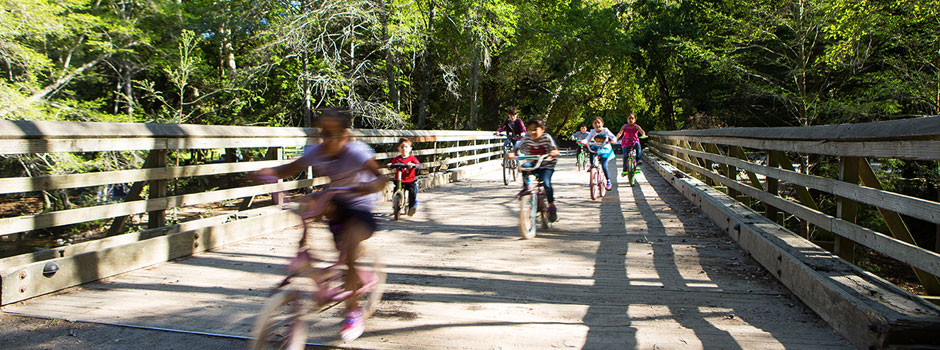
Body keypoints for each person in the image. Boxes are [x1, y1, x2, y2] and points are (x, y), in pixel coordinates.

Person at [253, 108, 386, 342]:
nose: (328, 139)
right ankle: (307, 254)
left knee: (351, 244)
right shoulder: (318, 151)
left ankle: (352, 311)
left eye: (334, 134)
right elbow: (290, 168)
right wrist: (267, 172)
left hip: (361, 207)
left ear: (346, 136)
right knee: (309, 205)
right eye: (324, 133)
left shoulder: (356, 153)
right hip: (337, 203)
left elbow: (381, 177)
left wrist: (369, 186)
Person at [511, 118, 561, 222]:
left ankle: (551, 206)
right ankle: (527, 187)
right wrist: (512, 153)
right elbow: (517, 148)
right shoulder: (527, 138)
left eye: (535, 129)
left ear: (542, 129)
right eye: (529, 129)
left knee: (546, 183)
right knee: (524, 166)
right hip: (534, 163)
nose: (532, 132)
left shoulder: (547, 138)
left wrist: (553, 153)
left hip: (547, 165)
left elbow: (556, 151)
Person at [388, 137, 420, 216]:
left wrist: (414, 165)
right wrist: (390, 165)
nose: (404, 149)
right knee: (395, 190)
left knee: (412, 193)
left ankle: (411, 207)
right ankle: (395, 205)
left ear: (410, 149)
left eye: (406, 147)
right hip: (399, 180)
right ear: (398, 149)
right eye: (402, 147)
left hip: (409, 180)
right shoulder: (397, 159)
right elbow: (391, 164)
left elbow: (417, 164)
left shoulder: (412, 158)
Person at [584, 117, 617, 190]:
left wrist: (613, 140)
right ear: (593, 125)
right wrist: (584, 141)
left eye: (598, 122)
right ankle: (592, 165)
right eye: (595, 123)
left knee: (604, 165)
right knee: (591, 149)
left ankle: (608, 181)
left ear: (602, 123)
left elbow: (613, 137)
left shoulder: (605, 130)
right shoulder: (592, 131)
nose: (597, 124)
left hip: (605, 149)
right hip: (597, 147)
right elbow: (587, 138)